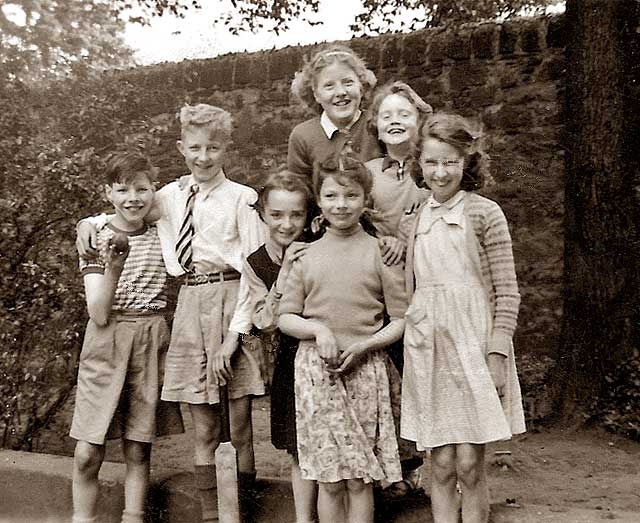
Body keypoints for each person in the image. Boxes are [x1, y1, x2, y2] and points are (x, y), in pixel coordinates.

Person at [76, 104, 267, 523]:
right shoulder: (168, 196)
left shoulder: (242, 198)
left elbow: (258, 271)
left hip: (232, 301)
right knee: (204, 427)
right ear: (181, 148)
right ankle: (212, 516)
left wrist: (235, 336)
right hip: (189, 307)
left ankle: (243, 512)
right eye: (195, 148)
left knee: (239, 425)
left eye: (213, 148)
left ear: (226, 148)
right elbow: (122, 209)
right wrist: (87, 224)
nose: (203, 157)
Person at [400, 113, 526, 523]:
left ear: (467, 161)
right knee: (439, 465)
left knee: (470, 465)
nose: (440, 172)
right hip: (430, 351)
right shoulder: (414, 220)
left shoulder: (485, 214)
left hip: (474, 347)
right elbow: (402, 275)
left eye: (450, 161)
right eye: (432, 162)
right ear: (419, 162)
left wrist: (497, 355)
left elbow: (507, 292)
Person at [278, 153, 406, 523]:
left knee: (358, 479)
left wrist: (366, 345)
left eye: (351, 195)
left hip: (365, 372)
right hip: (317, 376)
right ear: (319, 199)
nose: (341, 205)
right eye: (331, 196)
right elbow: (285, 317)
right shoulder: (305, 255)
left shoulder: (380, 252)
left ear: (365, 199)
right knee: (330, 480)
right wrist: (318, 331)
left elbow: (400, 320)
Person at [71, 151, 170, 523]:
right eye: (123, 189)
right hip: (107, 338)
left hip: (150, 335)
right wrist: (113, 265)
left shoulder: (164, 230)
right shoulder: (95, 235)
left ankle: (134, 517)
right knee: (87, 451)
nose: (133, 198)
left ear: (153, 191)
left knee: (138, 447)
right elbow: (97, 312)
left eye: (142, 189)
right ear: (108, 193)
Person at [365, 80, 434, 501]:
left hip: (424, 277)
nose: (395, 121)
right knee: (391, 376)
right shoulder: (369, 173)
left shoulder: (433, 167)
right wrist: (380, 239)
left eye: (404, 114)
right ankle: (399, 466)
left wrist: (405, 236)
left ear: (419, 121)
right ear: (375, 125)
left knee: (425, 371)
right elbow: (356, 215)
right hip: (385, 283)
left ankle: (435, 463)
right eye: (387, 115)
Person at [243, 170, 317, 523]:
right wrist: (285, 268)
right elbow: (263, 321)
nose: (286, 224)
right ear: (262, 215)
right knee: (299, 449)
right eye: (276, 215)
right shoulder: (257, 263)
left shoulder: (321, 245)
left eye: (296, 214)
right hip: (289, 359)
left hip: (328, 353)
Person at [287, 44, 381, 178]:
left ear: (361, 86)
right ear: (316, 94)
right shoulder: (302, 136)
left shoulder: (377, 124)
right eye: (329, 86)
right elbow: (300, 191)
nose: (341, 92)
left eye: (348, 82)